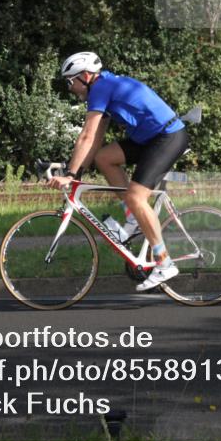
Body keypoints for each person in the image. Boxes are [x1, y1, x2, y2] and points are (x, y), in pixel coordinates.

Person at [47, 51, 190, 290]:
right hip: (150, 137)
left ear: (84, 76)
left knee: (136, 196)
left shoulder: (102, 88)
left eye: (70, 81)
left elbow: (87, 135)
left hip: (167, 137)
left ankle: (164, 262)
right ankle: (133, 217)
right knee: (104, 158)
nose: (70, 88)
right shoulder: (103, 88)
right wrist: (77, 171)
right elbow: (95, 141)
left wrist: (70, 176)